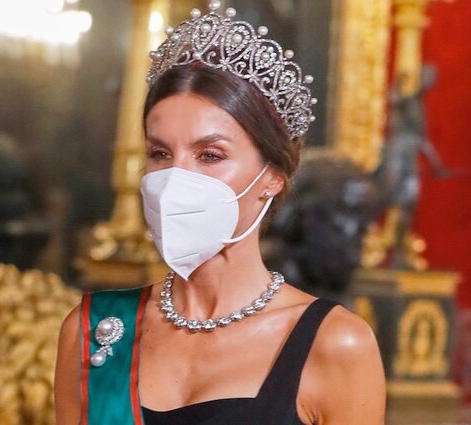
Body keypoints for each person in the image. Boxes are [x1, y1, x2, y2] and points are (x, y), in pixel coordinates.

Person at [55, 2, 385, 424]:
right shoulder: (94, 328)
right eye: (160, 153)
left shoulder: (335, 343)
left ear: (273, 175)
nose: (176, 178)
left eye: (210, 155)